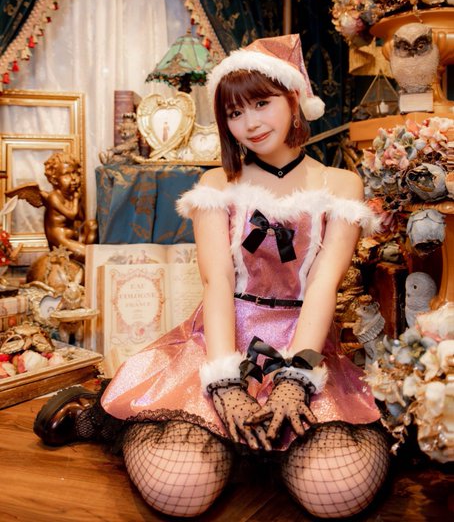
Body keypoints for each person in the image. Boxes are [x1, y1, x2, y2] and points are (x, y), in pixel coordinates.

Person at [34, 35, 390, 519]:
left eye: (262, 104)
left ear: (294, 99)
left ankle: (267, 451)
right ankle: (106, 413)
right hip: (222, 338)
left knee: (338, 492)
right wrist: (224, 380)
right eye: (235, 113)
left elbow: (324, 285)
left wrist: (297, 376)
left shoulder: (341, 185)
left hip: (303, 342)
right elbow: (217, 284)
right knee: (178, 489)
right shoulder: (216, 185)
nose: (250, 123)